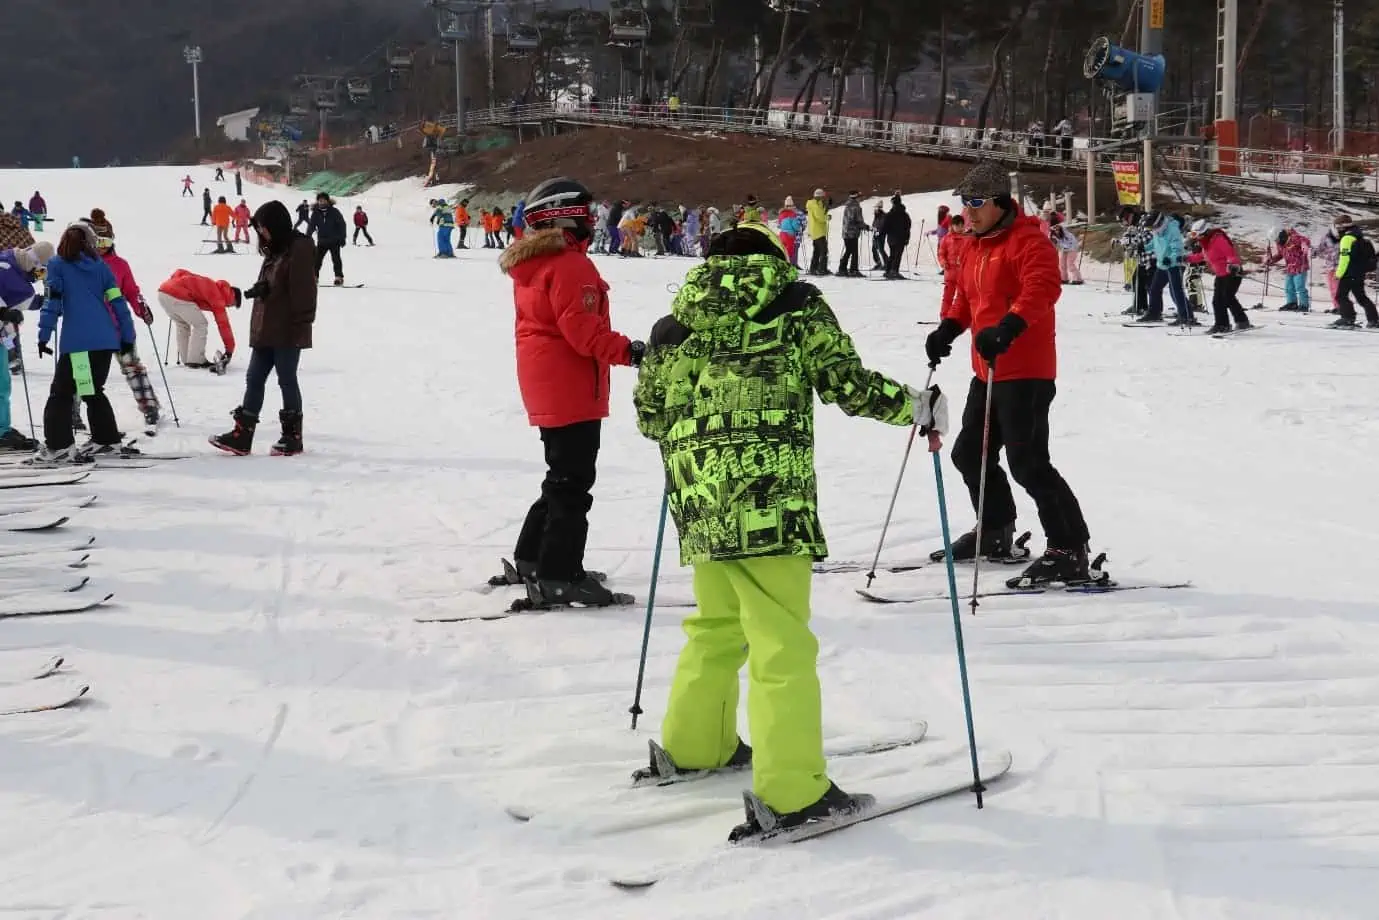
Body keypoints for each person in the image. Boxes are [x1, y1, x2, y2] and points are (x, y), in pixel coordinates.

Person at [631, 221, 937, 840]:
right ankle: (795, 791)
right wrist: (915, 405)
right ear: (776, 254)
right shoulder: (795, 305)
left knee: (715, 627)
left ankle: (697, 745)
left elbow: (652, 417)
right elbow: (846, 385)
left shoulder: (674, 325)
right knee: (780, 642)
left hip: (700, 497)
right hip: (769, 499)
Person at [925, 160, 1092, 585]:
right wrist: (948, 327)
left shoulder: (1027, 241)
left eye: (977, 203)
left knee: (1028, 463)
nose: (969, 212)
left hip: (1026, 371)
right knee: (968, 453)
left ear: (1001, 202)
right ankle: (996, 530)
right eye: (965, 203)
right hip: (987, 371)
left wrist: (1009, 326)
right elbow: (967, 297)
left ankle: (1069, 547)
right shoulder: (973, 245)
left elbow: (1043, 288)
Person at [490, 176, 642, 606]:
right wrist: (630, 352)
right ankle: (560, 574)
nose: (593, 221)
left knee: (560, 477)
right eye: (586, 213)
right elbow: (583, 333)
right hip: (569, 383)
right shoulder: (570, 265)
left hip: (548, 382)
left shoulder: (536, 263)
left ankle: (534, 559)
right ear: (563, 216)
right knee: (573, 483)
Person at [210, 201, 316, 456]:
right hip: (267, 325)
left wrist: (300, 323)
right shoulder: (276, 248)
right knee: (254, 378)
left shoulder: (298, 248)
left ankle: (292, 436)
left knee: (286, 379)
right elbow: (277, 280)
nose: (262, 234)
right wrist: (264, 289)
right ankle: (242, 435)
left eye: (264, 228)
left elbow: (304, 290)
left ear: (276, 225)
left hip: (287, 328)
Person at [32, 222, 137, 463]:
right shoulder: (100, 267)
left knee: (60, 394)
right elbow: (117, 301)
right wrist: (127, 337)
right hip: (104, 341)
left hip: (78, 345)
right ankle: (106, 440)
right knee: (91, 390)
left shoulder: (57, 265)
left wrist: (43, 335)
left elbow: (52, 303)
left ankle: (59, 446)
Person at [85, 221, 162, 430]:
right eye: (98, 241)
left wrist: (141, 308)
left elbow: (131, 291)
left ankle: (149, 405)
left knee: (132, 366)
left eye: (106, 241)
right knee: (82, 370)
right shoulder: (83, 264)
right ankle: (73, 412)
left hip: (118, 327)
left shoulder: (120, 265)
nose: (102, 246)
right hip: (89, 329)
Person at [0, 243, 50, 451]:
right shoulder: (5, 268)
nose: (37, 277)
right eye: (39, 272)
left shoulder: (13, 267)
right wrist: (3, 313)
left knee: (3, 382)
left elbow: (23, 301)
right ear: (34, 263)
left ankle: (2, 429)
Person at [156, 269, 239, 369]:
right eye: (234, 304)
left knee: (182, 324)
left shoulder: (211, 285)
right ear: (233, 296)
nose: (230, 306)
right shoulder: (218, 296)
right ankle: (196, 360)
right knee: (201, 324)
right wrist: (230, 349)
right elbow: (223, 324)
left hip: (163, 293)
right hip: (177, 295)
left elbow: (180, 272)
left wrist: (173, 283)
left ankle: (187, 359)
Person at [1187, 221, 1253, 334]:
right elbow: (1202, 256)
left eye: (1197, 235)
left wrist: (1233, 265)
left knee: (1220, 300)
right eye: (1194, 235)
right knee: (1226, 298)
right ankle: (1242, 321)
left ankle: (1222, 325)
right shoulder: (1206, 243)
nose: (1196, 238)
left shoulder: (1218, 239)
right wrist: (1186, 258)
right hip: (1221, 275)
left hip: (1231, 273)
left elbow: (1230, 254)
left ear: (1205, 232)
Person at [1137, 212, 1193, 325]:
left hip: (1175, 264)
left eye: (1153, 226)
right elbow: (1155, 243)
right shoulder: (1158, 230)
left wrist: (1170, 258)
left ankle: (1186, 316)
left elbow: (1177, 249)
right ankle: (1154, 313)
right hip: (1162, 264)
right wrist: (1145, 248)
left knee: (1175, 291)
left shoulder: (1173, 230)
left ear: (1159, 223)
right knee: (1154, 288)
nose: (1152, 229)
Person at [1332, 219, 1378, 329]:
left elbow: (1344, 259)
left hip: (1349, 272)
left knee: (1340, 296)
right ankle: (1374, 320)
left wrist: (1338, 273)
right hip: (1359, 272)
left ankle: (1348, 318)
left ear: (1341, 227)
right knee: (1361, 297)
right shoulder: (1359, 236)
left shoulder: (1347, 239)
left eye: (1337, 227)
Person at [1265, 225, 1312, 312]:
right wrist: (1272, 260)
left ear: (1280, 235)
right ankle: (1292, 303)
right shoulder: (1280, 243)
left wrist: (1304, 245)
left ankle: (1304, 305)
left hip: (1300, 266)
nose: (1276, 241)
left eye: (1276, 239)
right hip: (1290, 267)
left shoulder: (1294, 237)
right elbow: (1280, 254)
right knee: (1288, 287)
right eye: (1275, 240)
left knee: (1299, 287)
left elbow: (1305, 240)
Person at [307, 193, 347, 285]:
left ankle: (339, 277)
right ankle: (314, 277)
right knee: (317, 260)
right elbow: (311, 226)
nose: (321, 202)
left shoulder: (334, 211)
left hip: (334, 240)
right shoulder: (315, 213)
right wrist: (307, 237)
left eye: (323, 200)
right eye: (320, 200)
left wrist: (342, 237)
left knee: (336, 259)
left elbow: (342, 225)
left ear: (327, 201)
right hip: (322, 241)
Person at [1312, 216, 1347, 312]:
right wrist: (1314, 252)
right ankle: (1336, 306)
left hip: (1341, 266)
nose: (1339, 229)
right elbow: (1320, 249)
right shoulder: (1327, 237)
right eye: (1337, 226)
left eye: (1340, 227)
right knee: (1332, 288)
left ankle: (1342, 307)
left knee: (1338, 288)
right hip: (1330, 266)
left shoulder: (1346, 237)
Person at [882, 195, 911, 279]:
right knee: (898, 255)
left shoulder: (889, 214)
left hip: (891, 238)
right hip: (901, 238)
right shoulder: (905, 215)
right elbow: (908, 227)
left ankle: (888, 271)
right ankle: (894, 271)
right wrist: (907, 238)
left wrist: (882, 234)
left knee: (892, 254)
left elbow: (885, 227)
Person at [838, 191, 864, 277]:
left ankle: (842, 268)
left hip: (846, 232)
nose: (860, 198)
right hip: (852, 232)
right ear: (856, 198)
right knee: (854, 252)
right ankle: (853, 270)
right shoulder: (856, 207)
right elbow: (857, 220)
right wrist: (864, 226)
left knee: (849, 251)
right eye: (859, 197)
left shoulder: (847, 205)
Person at [805, 188, 830, 276]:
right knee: (823, 251)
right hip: (818, 231)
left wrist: (826, 209)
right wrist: (827, 217)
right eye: (823, 196)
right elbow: (820, 217)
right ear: (820, 196)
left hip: (815, 230)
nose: (824, 198)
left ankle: (814, 268)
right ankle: (821, 269)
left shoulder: (815, 204)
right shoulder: (815, 204)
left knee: (817, 251)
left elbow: (821, 214)